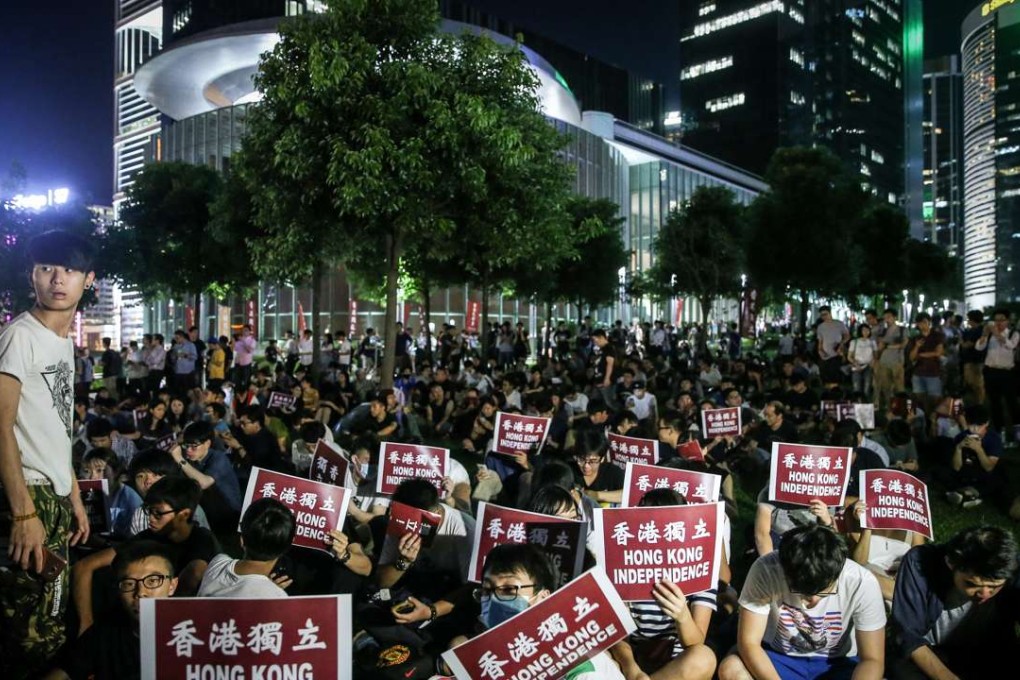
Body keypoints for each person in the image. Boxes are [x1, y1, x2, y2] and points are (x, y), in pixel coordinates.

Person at [0, 230, 95, 677]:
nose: (59, 278)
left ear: (88, 279)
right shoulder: (20, 337)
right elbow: (0, 425)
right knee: (27, 630)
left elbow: (56, 428)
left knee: (51, 616)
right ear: (32, 275)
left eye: (70, 269)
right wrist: (23, 514)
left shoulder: (62, 342)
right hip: (27, 498)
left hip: (53, 498)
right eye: (47, 268)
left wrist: (72, 494)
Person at [718, 524, 886, 680]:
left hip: (838, 663)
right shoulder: (766, 569)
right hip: (778, 657)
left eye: (825, 592)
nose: (814, 600)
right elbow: (749, 643)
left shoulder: (861, 581)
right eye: (803, 593)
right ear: (786, 572)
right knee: (731, 669)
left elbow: (872, 659)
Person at [72, 477, 219, 634]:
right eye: (149, 511)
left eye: (158, 513)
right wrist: (86, 623)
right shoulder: (147, 537)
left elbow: (195, 573)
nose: (150, 519)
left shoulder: (202, 539)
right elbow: (84, 566)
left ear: (183, 514)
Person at [889, 526, 1020, 678]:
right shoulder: (920, 562)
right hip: (932, 652)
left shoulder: (1014, 569)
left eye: (994, 587)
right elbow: (907, 635)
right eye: (971, 584)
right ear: (950, 563)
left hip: (990, 652)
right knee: (899, 667)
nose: (984, 593)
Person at [42, 540, 178, 680]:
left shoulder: (191, 634)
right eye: (129, 583)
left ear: (172, 586)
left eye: (152, 581)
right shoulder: (106, 630)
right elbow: (66, 670)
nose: (141, 592)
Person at [198, 498, 296, 598]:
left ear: (242, 540)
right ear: (289, 543)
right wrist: (270, 591)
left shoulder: (218, 563)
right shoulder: (278, 597)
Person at [974, 308, 1019, 441]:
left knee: (1012, 402)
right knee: (995, 403)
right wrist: (984, 334)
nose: (999, 323)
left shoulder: (1013, 333)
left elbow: (1010, 346)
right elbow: (979, 347)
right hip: (991, 371)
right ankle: (1000, 431)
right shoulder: (989, 334)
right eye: (996, 320)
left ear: (1008, 321)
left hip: (1007, 373)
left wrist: (997, 334)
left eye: (1002, 320)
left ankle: (1017, 431)